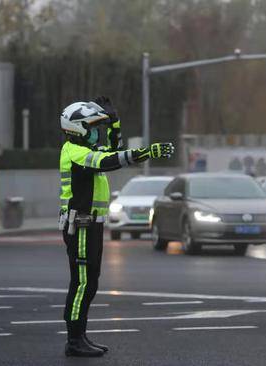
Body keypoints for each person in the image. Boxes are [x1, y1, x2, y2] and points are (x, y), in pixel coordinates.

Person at [58, 97, 174, 357]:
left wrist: (114, 123)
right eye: (94, 128)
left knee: (90, 283)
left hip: (91, 226)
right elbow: (109, 161)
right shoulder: (75, 152)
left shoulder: (83, 148)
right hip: (81, 225)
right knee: (82, 284)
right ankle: (74, 341)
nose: (97, 134)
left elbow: (112, 149)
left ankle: (80, 336)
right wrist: (147, 152)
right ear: (78, 129)